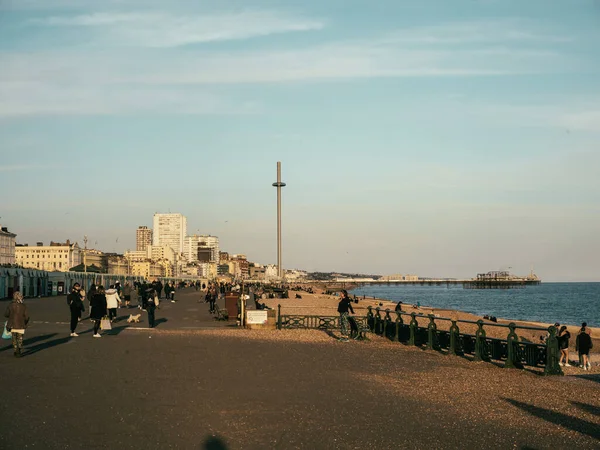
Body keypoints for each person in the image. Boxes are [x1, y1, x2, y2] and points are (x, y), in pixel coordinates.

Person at [4, 291, 30, 357]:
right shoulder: (24, 306)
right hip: (21, 324)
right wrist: (25, 322)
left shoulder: (10, 305)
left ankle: (16, 350)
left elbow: (6, 314)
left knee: (14, 338)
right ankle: (19, 350)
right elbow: (27, 317)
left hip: (12, 324)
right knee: (20, 338)